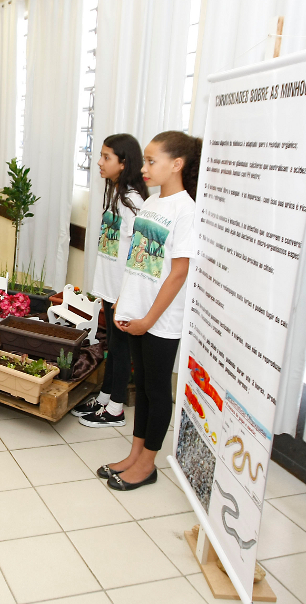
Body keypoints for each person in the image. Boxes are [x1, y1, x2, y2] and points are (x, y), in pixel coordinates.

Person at [99, 130, 199, 491]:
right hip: (137, 312)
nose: (144, 168)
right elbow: (136, 263)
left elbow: (179, 273)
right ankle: (134, 455)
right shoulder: (153, 202)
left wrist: (149, 320)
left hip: (160, 319)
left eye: (152, 161)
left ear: (177, 164)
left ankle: (147, 465)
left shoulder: (186, 210)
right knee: (140, 388)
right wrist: (125, 305)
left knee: (157, 392)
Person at [74, 134, 149, 428]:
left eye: (107, 157)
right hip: (109, 286)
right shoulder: (117, 193)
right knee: (113, 346)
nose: (99, 162)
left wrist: (124, 295)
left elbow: (137, 255)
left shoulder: (133, 201)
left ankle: (116, 408)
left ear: (124, 162)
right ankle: (105, 397)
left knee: (121, 348)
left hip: (121, 291)